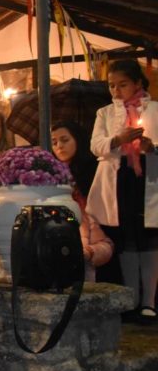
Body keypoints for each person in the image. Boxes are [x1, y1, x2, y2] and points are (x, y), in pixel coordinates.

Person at [86, 60, 158, 322]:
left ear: (138, 83)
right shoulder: (105, 114)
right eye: (111, 85)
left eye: (122, 84)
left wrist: (151, 148)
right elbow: (96, 145)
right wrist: (118, 139)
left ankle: (149, 302)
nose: (116, 91)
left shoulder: (156, 110)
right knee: (126, 239)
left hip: (148, 179)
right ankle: (131, 298)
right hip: (119, 179)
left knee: (149, 238)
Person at [51, 120, 113, 282]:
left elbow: (102, 237)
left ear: (77, 140)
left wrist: (90, 251)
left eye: (65, 140)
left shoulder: (92, 173)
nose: (59, 146)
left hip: (90, 239)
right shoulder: (49, 174)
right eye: (54, 142)